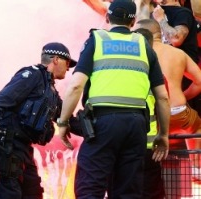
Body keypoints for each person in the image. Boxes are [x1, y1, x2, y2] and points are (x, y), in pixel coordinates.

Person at [57, 0, 170, 198]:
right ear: (133, 21)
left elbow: (75, 86)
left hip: (103, 125)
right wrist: (164, 135)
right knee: (128, 190)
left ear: (107, 17)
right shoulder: (144, 46)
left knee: (90, 187)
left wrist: (64, 121)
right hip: (136, 127)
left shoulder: (96, 40)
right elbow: (162, 97)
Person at [0, 42, 77, 199]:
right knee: (10, 190)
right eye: (67, 62)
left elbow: (65, 117)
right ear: (55, 59)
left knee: (32, 191)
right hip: (8, 140)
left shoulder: (50, 89)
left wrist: (96, 128)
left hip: (23, 146)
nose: (68, 68)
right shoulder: (32, 75)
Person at [136, 19, 201, 176]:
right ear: (160, 33)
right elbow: (199, 82)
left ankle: (148, 172)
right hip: (179, 113)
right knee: (197, 127)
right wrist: (181, 96)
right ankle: (196, 168)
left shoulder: (138, 54)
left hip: (152, 119)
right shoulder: (178, 53)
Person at [134, 27, 166, 199]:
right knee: (151, 192)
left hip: (123, 144)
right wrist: (163, 135)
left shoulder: (123, 71)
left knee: (123, 188)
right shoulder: (156, 74)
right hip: (149, 146)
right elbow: (163, 104)